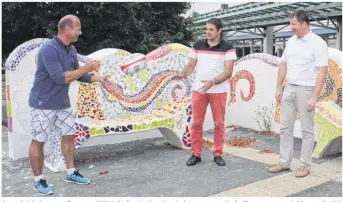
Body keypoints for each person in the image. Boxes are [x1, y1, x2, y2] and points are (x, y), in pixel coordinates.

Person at [28, 14, 109, 195]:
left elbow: (79, 75)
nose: (80, 32)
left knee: (68, 137)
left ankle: (71, 172)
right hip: (43, 104)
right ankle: (38, 180)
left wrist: (99, 78)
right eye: (78, 28)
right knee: (38, 141)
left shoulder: (71, 50)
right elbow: (61, 78)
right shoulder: (48, 50)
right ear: (66, 29)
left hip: (62, 103)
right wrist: (85, 68)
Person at [268, 10, 328, 178]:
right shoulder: (291, 41)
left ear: (304, 24)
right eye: (291, 23)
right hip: (290, 88)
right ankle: (284, 162)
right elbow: (283, 64)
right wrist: (279, 87)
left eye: (294, 24)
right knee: (285, 127)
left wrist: (314, 96)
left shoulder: (318, 43)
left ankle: (304, 165)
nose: (291, 27)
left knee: (307, 130)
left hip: (306, 90)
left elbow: (322, 71)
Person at [172, 18, 237, 166]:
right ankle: (196, 154)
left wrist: (212, 82)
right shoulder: (198, 45)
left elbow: (228, 72)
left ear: (219, 30)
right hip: (199, 90)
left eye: (211, 29)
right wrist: (182, 75)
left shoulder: (228, 48)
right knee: (196, 123)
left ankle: (218, 154)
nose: (208, 32)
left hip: (218, 90)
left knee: (219, 124)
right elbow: (191, 65)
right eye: (206, 29)